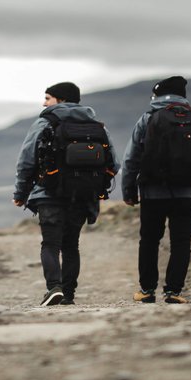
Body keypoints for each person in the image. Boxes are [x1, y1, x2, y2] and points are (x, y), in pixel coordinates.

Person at [120, 75, 191, 304]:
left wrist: (129, 192)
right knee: (181, 242)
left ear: (157, 95)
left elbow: (131, 159)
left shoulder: (148, 119)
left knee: (149, 240)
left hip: (153, 192)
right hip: (188, 193)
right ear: (183, 97)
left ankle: (147, 290)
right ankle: (174, 291)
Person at [14, 81, 114, 306]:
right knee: (71, 245)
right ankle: (68, 294)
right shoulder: (97, 126)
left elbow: (26, 161)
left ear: (60, 100)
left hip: (49, 194)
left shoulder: (44, 123)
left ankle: (54, 288)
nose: (44, 103)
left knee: (50, 244)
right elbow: (113, 163)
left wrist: (21, 193)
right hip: (83, 196)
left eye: (48, 98)